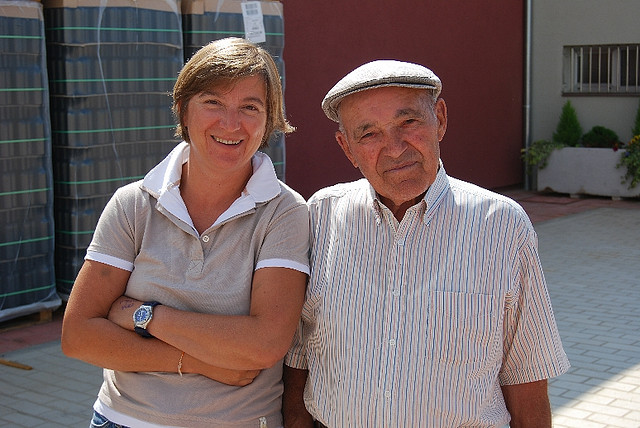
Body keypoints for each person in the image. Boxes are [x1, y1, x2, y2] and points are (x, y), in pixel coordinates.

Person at [283, 60, 570, 428]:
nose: (394, 147)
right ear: (347, 148)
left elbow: (527, 374)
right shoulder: (320, 217)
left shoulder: (501, 225)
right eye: (368, 133)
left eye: (408, 122)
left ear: (441, 119)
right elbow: (299, 358)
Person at [61, 37, 309, 428]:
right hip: (121, 419)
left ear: (268, 121)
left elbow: (264, 344)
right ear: (183, 109)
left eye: (250, 107)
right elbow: (78, 335)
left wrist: (142, 315)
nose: (231, 123)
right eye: (213, 103)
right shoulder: (134, 204)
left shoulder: (285, 212)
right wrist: (194, 361)